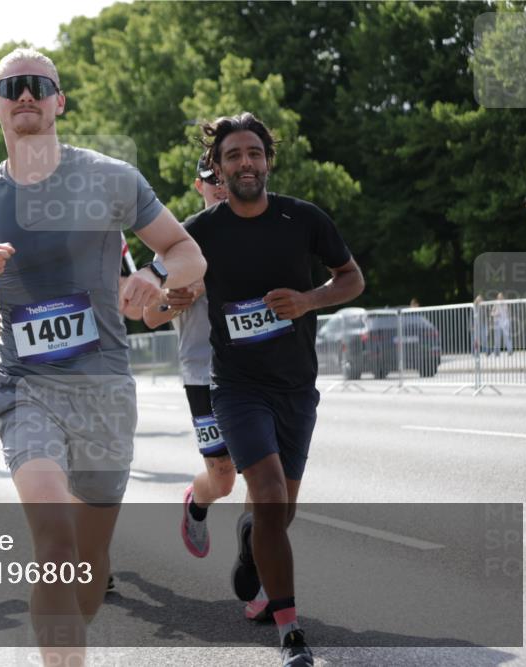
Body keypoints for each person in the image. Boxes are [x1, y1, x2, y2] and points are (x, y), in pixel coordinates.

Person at [0, 48, 205, 661]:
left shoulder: (111, 178)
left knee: (88, 561)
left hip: (104, 388)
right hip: (26, 388)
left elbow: (187, 251)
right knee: (55, 543)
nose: (26, 95)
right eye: (13, 87)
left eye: (39, 85)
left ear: (59, 100)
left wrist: (155, 276)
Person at [185, 112, 365, 666]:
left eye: (254, 153)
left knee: (278, 511)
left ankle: (252, 548)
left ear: (268, 161)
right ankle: (291, 633)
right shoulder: (201, 231)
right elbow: (160, 277)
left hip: (296, 387)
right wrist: (160, 293)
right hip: (237, 387)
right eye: (233, 155)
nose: (246, 163)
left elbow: (352, 278)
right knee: (265, 493)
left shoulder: (303, 218)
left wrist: (308, 300)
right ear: (217, 168)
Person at [143, 154, 240, 574]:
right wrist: (173, 299)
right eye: (211, 180)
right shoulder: (180, 242)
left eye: (226, 178)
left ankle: (259, 561)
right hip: (203, 373)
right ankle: (196, 504)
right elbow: (150, 316)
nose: (221, 187)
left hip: (256, 370)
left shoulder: (258, 232)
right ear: (199, 186)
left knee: (268, 473)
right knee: (223, 478)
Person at [491, 291, 513, 355]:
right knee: (497, 338)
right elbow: (491, 313)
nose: (500, 298)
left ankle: (510, 351)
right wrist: (495, 314)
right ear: (497, 298)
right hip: (497, 322)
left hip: (505, 322)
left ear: (503, 297)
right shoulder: (495, 303)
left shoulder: (505, 303)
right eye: (499, 297)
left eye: (501, 297)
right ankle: (496, 352)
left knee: (507, 337)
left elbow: (507, 312)